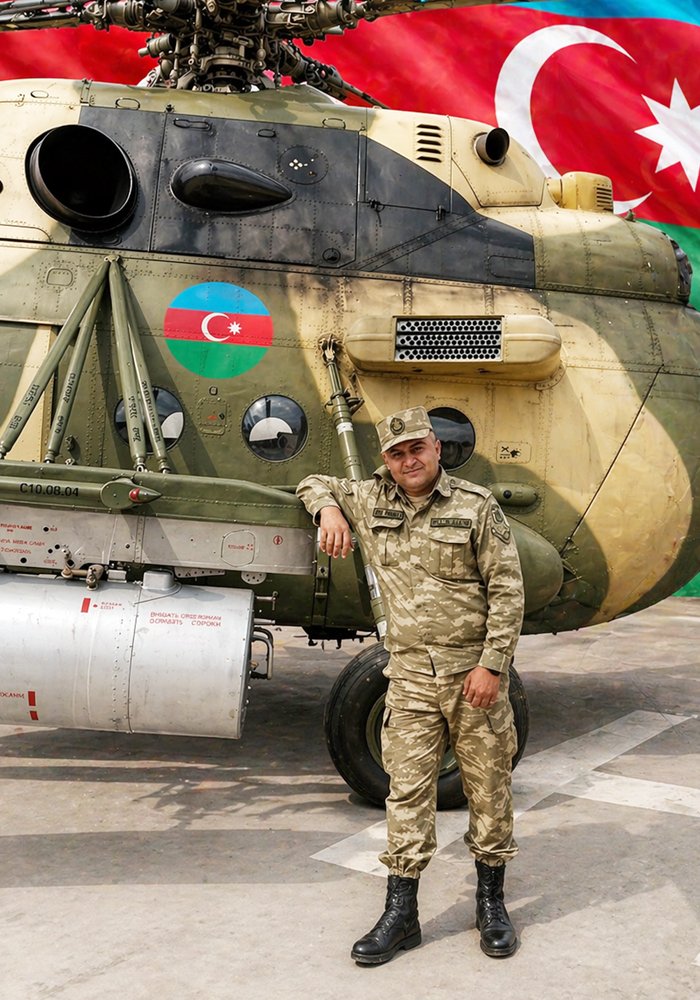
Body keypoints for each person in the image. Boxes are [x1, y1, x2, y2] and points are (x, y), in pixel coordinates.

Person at [296, 406, 525, 964]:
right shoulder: (369, 499)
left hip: (473, 678)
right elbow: (311, 481)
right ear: (386, 460)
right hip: (410, 681)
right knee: (406, 794)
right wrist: (330, 510)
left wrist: (492, 666)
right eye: (397, 454)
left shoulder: (475, 506)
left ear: (436, 448)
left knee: (489, 789)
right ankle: (402, 914)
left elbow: (507, 590)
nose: (409, 461)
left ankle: (491, 904)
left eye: (417, 448)